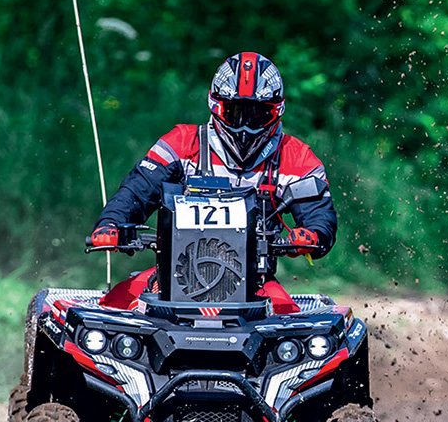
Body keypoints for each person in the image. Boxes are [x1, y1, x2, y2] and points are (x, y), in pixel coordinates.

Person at [86, 52, 337, 312]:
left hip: (255, 285)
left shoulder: (296, 157)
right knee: (112, 307)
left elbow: (320, 217)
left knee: (291, 322)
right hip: (171, 278)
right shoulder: (181, 143)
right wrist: (111, 224)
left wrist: (312, 234)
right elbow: (136, 192)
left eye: (256, 114)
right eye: (235, 112)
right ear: (216, 106)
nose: (244, 126)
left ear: (275, 111)